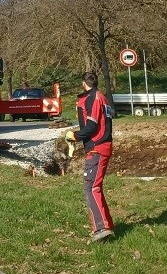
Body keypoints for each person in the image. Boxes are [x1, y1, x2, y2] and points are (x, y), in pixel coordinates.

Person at [66, 71, 114, 242]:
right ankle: (106, 226)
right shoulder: (102, 97)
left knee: (91, 188)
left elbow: (92, 125)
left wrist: (75, 135)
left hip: (97, 148)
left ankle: (101, 228)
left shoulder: (94, 98)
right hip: (102, 146)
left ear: (83, 83)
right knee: (95, 187)